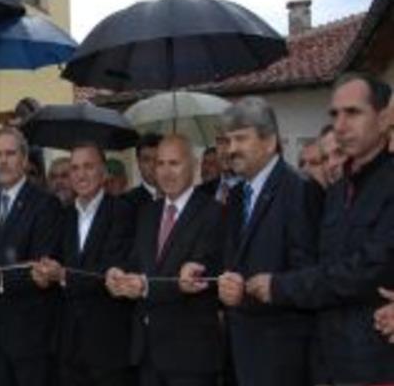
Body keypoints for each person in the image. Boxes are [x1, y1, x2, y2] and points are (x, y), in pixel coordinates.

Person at [245, 74, 394, 384]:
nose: (340, 125)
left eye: (353, 112)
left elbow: (366, 271)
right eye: (334, 114)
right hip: (327, 362)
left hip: (374, 366)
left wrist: (280, 287)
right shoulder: (337, 190)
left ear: (383, 119)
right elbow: (319, 262)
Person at [214, 97, 320, 386]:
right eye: (228, 140)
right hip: (239, 351)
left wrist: (254, 290)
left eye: (241, 138)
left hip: (283, 356)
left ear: (270, 141)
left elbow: (311, 277)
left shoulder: (300, 189)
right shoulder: (236, 196)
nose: (231, 149)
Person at [107, 135, 224, 386]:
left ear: (192, 165)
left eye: (174, 163)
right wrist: (118, 274)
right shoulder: (148, 213)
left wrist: (145, 286)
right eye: (160, 164)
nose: (166, 172)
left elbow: (199, 276)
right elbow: (138, 262)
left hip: (190, 357)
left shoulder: (213, 213)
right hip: (147, 353)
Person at [31, 143, 136, 386]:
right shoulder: (64, 216)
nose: (80, 174)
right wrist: (43, 273)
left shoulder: (122, 211)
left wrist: (63, 275)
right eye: (74, 168)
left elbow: (111, 269)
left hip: (107, 343)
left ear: (103, 172)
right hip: (68, 344)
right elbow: (54, 261)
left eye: (88, 167)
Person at [0, 127, 61, 386]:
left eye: (10, 153)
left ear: (24, 158)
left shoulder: (45, 204)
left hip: (31, 336)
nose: (3, 161)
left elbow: (42, 268)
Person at [124, 133, 163, 214]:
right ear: (138, 163)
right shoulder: (126, 202)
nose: (153, 165)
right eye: (146, 160)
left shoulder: (178, 196)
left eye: (158, 158)